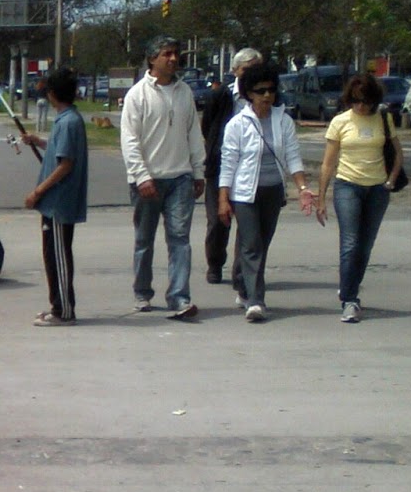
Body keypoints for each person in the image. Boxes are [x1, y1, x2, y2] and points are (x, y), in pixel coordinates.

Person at [121, 35, 207, 319]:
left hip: (180, 178)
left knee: (180, 239)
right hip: (148, 181)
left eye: (175, 53)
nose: (172, 59)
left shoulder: (185, 93)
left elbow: (193, 133)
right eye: (166, 54)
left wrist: (198, 171)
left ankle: (180, 297)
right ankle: (142, 293)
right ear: (152, 59)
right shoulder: (137, 95)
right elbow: (130, 141)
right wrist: (142, 176)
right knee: (144, 240)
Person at [216, 62, 309, 322]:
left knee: (261, 244)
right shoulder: (238, 124)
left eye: (271, 90)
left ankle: (244, 287)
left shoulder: (284, 121)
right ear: (249, 94)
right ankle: (256, 301)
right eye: (260, 91)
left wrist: (302, 188)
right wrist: (223, 198)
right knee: (252, 244)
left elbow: (293, 157)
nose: (267, 96)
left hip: (272, 191)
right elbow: (228, 163)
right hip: (245, 193)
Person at [317, 72, 404, 323]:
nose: (361, 106)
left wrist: (390, 181)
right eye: (355, 101)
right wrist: (321, 199)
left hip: (377, 188)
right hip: (347, 186)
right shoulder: (341, 122)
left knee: (365, 246)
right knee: (350, 243)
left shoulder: (384, 119)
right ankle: (350, 299)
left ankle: (349, 287)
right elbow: (327, 164)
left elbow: (398, 153)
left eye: (365, 101)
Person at [20, 66, 89, 326]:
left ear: (52, 94)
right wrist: (37, 141)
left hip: (59, 203)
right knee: (51, 255)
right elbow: (59, 149)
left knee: (59, 256)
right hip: (52, 204)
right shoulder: (65, 120)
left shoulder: (69, 122)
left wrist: (37, 192)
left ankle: (64, 310)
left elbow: (65, 163)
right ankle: (56, 304)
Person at [201, 48, 264, 285]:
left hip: (251, 169)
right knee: (218, 221)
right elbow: (208, 127)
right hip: (220, 167)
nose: (251, 74)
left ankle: (241, 273)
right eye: (246, 69)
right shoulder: (221, 96)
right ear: (235, 71)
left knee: (248, 224)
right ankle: (215, 263)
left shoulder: (265, 97)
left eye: (255, 69)